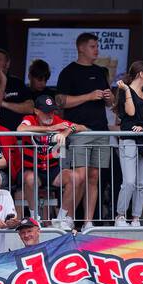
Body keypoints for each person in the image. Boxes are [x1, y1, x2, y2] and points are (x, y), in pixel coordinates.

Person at [56, 32, 115, 232]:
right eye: (92, 46)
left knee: (93, 177)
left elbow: (111, 102)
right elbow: (61, 101)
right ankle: (69, 217)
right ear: (81, 48)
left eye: (97, 46)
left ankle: (88, 221)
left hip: (101, 129)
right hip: (79, 131)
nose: (96, 50)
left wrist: (108, 97)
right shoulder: (69, 71)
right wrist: (89, 96)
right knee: (79, 176)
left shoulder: (100, 71)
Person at [18, 92, 88, 228]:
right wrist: (49, 129)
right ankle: (34, 218)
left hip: (53, 171)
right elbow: (20, 128)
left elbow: (81, 127)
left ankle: (61, 219)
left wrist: (66, 132)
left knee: (75, 177)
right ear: (36, 111)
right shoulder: (29, 119)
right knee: (30, 179)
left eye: (52, 111)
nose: (50, 115)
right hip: (33, 171)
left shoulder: (57, 120)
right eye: (46, 112)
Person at [113, 61, 143, 228]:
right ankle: (120, 216)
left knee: (141, 183)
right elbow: (130, 112)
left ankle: (136, 217)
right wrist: (128, 90)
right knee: (129, 181)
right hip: (129, 140)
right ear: (141, 74)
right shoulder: (125, 91)